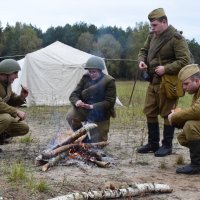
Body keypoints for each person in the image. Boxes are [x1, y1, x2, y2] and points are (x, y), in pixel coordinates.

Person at [137, 8, 191, 157]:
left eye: (154, 25)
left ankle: (166, 146)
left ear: (164, 22)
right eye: (151, 25)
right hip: (153, 80)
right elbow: (143, 50)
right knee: (150, 111)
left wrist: (166, 68)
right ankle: (153, 144)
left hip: (168, 82)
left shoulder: (176, 38)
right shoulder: (152, 35)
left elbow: (185, 60)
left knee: (168, 113)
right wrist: (141, 61)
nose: (152, 28)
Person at [66, 56, 116, 143]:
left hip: (101, 113)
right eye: (90, 71)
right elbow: (73, 95)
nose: (91, 74)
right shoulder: (85, 78)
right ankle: (82, 137)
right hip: (85, 109)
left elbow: (110, 102)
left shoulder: (109, 81)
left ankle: (92, 140)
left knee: (98, 143)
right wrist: (78, 101)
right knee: (70, 116)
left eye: (94, 72)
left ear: (100, 71)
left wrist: (92, 106)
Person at [168, 64, 200, 174]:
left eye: (186, 84)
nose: (184, 88)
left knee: (190, 126)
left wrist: (175, 116)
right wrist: (177, 120)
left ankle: (196, 165)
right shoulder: (197, 93)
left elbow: (197, 112)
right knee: (183, 137)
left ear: (197, 81)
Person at [0, 59, 29, 150]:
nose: (16, 76)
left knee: (23, 128)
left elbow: (11, 99)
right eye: (15, 73)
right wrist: (16, 111)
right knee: (6, 118)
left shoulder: (7, 84)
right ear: (7, 73)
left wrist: (21, 97)